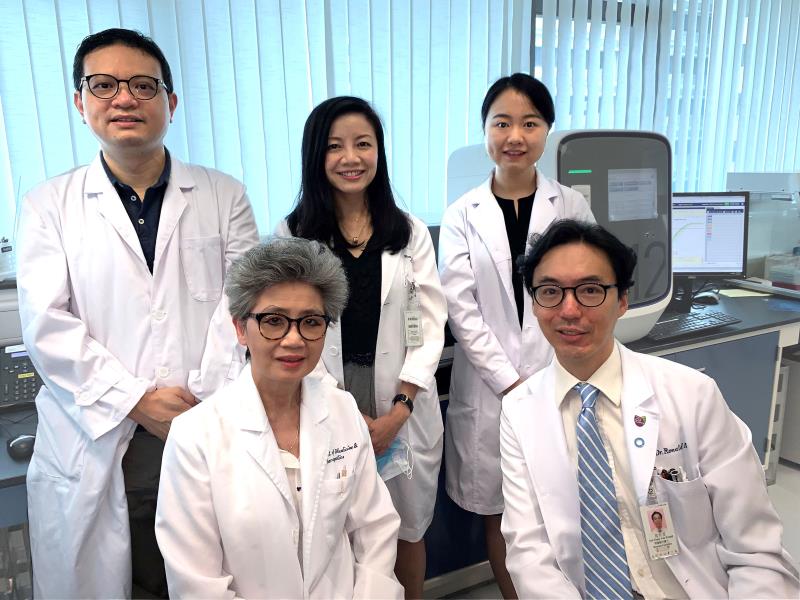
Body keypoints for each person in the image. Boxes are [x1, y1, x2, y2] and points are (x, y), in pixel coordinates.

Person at [16, 28, 259, 598]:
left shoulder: (224, 195)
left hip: (203, 417)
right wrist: (136, 400)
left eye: (143, 86)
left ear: (170, 103)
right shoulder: (48, 205)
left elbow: (245, 305)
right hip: (102, 428)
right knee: (122, 580)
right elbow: (48, 326)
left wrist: (197, 406)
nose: (124, 99)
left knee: (200, 576)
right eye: (103, 85)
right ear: (81, 102)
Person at [500, 219, 800, 599]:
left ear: (622, 300)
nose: (570, 309)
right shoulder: (519, 411)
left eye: (591, 290)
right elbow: (529, 554)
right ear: (534, 302)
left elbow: (755, 549)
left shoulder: (692, 394)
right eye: (550, 291)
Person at [155, 238, 403, 599]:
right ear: (240, 328)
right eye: (273, 321)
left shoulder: (342, 410)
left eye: (311, 322)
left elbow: (375, 529)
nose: (294, 339)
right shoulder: (195, 435)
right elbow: (197, 584)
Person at [278, 96, 446, 598]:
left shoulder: (409, 231)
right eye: (335, 146)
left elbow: (431, 323)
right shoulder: (295, 233)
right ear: (316, 156)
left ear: (379, 152)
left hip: (403, 394)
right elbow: (296, 327)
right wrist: (345, 409)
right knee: (343, 529)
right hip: (327, 394)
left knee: (407, 526)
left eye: (363, 144)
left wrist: (400, 408)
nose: (351, 157)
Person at [437, 73, 594, 597]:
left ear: (547, 130)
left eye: (530, 123)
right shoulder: (461, 214)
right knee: (503, 512)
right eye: (501, 122)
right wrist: (511, 381)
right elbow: (461, 308)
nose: (515, 136)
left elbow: (584, 290)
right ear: (484, 130)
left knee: (565, 499)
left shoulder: (570, 206)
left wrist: (547, 373)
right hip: (491, 389)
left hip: (561, 377)